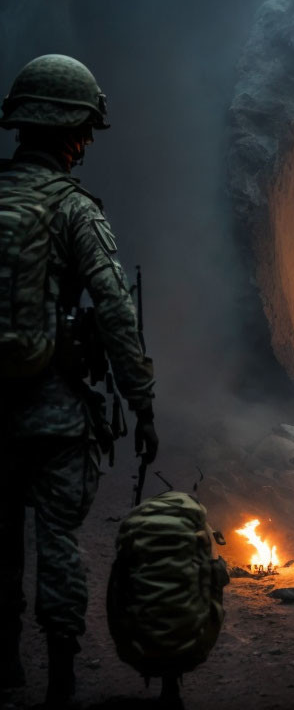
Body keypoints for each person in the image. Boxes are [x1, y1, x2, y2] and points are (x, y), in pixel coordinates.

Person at [0, 54, 157, 707]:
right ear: (69, 130)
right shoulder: (72, 211)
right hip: (54, 412)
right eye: (85, 129)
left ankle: (5, 675)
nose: (88, 141)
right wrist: (141, 400)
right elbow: (116, 311)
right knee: (58, 540)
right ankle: (61, 682)